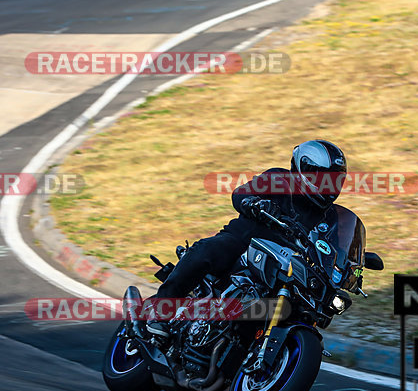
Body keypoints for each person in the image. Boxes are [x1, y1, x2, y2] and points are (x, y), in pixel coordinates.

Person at [144, 139, 348, 337]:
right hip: (244, 243)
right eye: (323, 179)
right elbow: (241, 193)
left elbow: (333, 247)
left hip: (284, 267)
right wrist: (254, 203)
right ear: (304, 171)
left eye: (334, 180)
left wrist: (351, 261)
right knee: (207, 251)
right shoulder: (279, 180)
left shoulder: (330, 218)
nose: (328, 186)